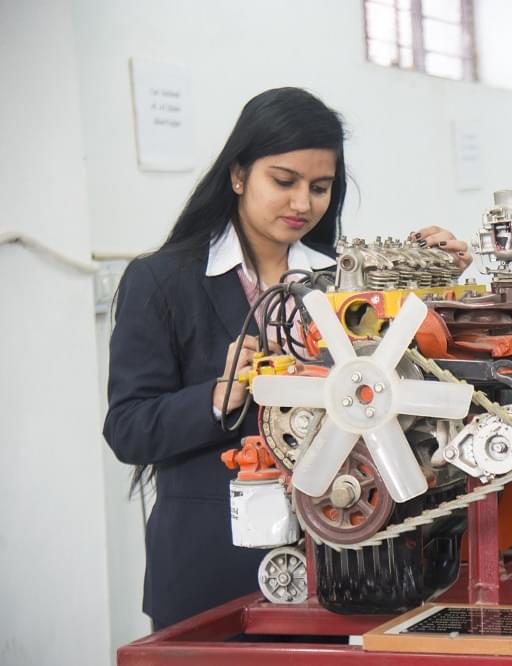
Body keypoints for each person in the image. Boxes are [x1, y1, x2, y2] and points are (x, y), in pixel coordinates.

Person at [103, 87, 471, 630]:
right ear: (237, 175)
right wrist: (217, 395)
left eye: (320, 187)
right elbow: (128, 430)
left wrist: (442, 291)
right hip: (211, 567)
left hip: (344, 557)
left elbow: (405, 391)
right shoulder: (161, 281)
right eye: (284, 181)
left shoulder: (342, 282)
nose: (303, 203)